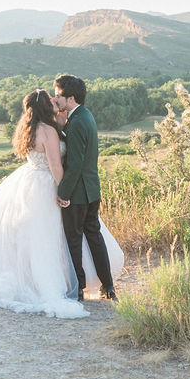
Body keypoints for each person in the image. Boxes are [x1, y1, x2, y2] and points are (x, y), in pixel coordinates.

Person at [0, 88, 122, 318]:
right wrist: (64, 192)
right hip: (47, 183)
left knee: (31, 237)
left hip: (28, 181)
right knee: (52, 237)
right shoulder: (48, 131)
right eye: (50, 101)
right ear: (44, 107)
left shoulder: (28, 128)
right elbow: (56, 166)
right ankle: (59, 283)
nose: (54, 102)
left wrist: (60, 122)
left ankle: (34, 278)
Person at [54, 74, 117, 302]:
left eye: (58, 95)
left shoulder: (77, 122)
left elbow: (75, 163)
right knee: (94, 237)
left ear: (70, 98)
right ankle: (108, 286)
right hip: (92, 189)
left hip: (79, 193)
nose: (55, 99)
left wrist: (63, 193)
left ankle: (78, 288)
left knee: (74, 239)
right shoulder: (85, 116)